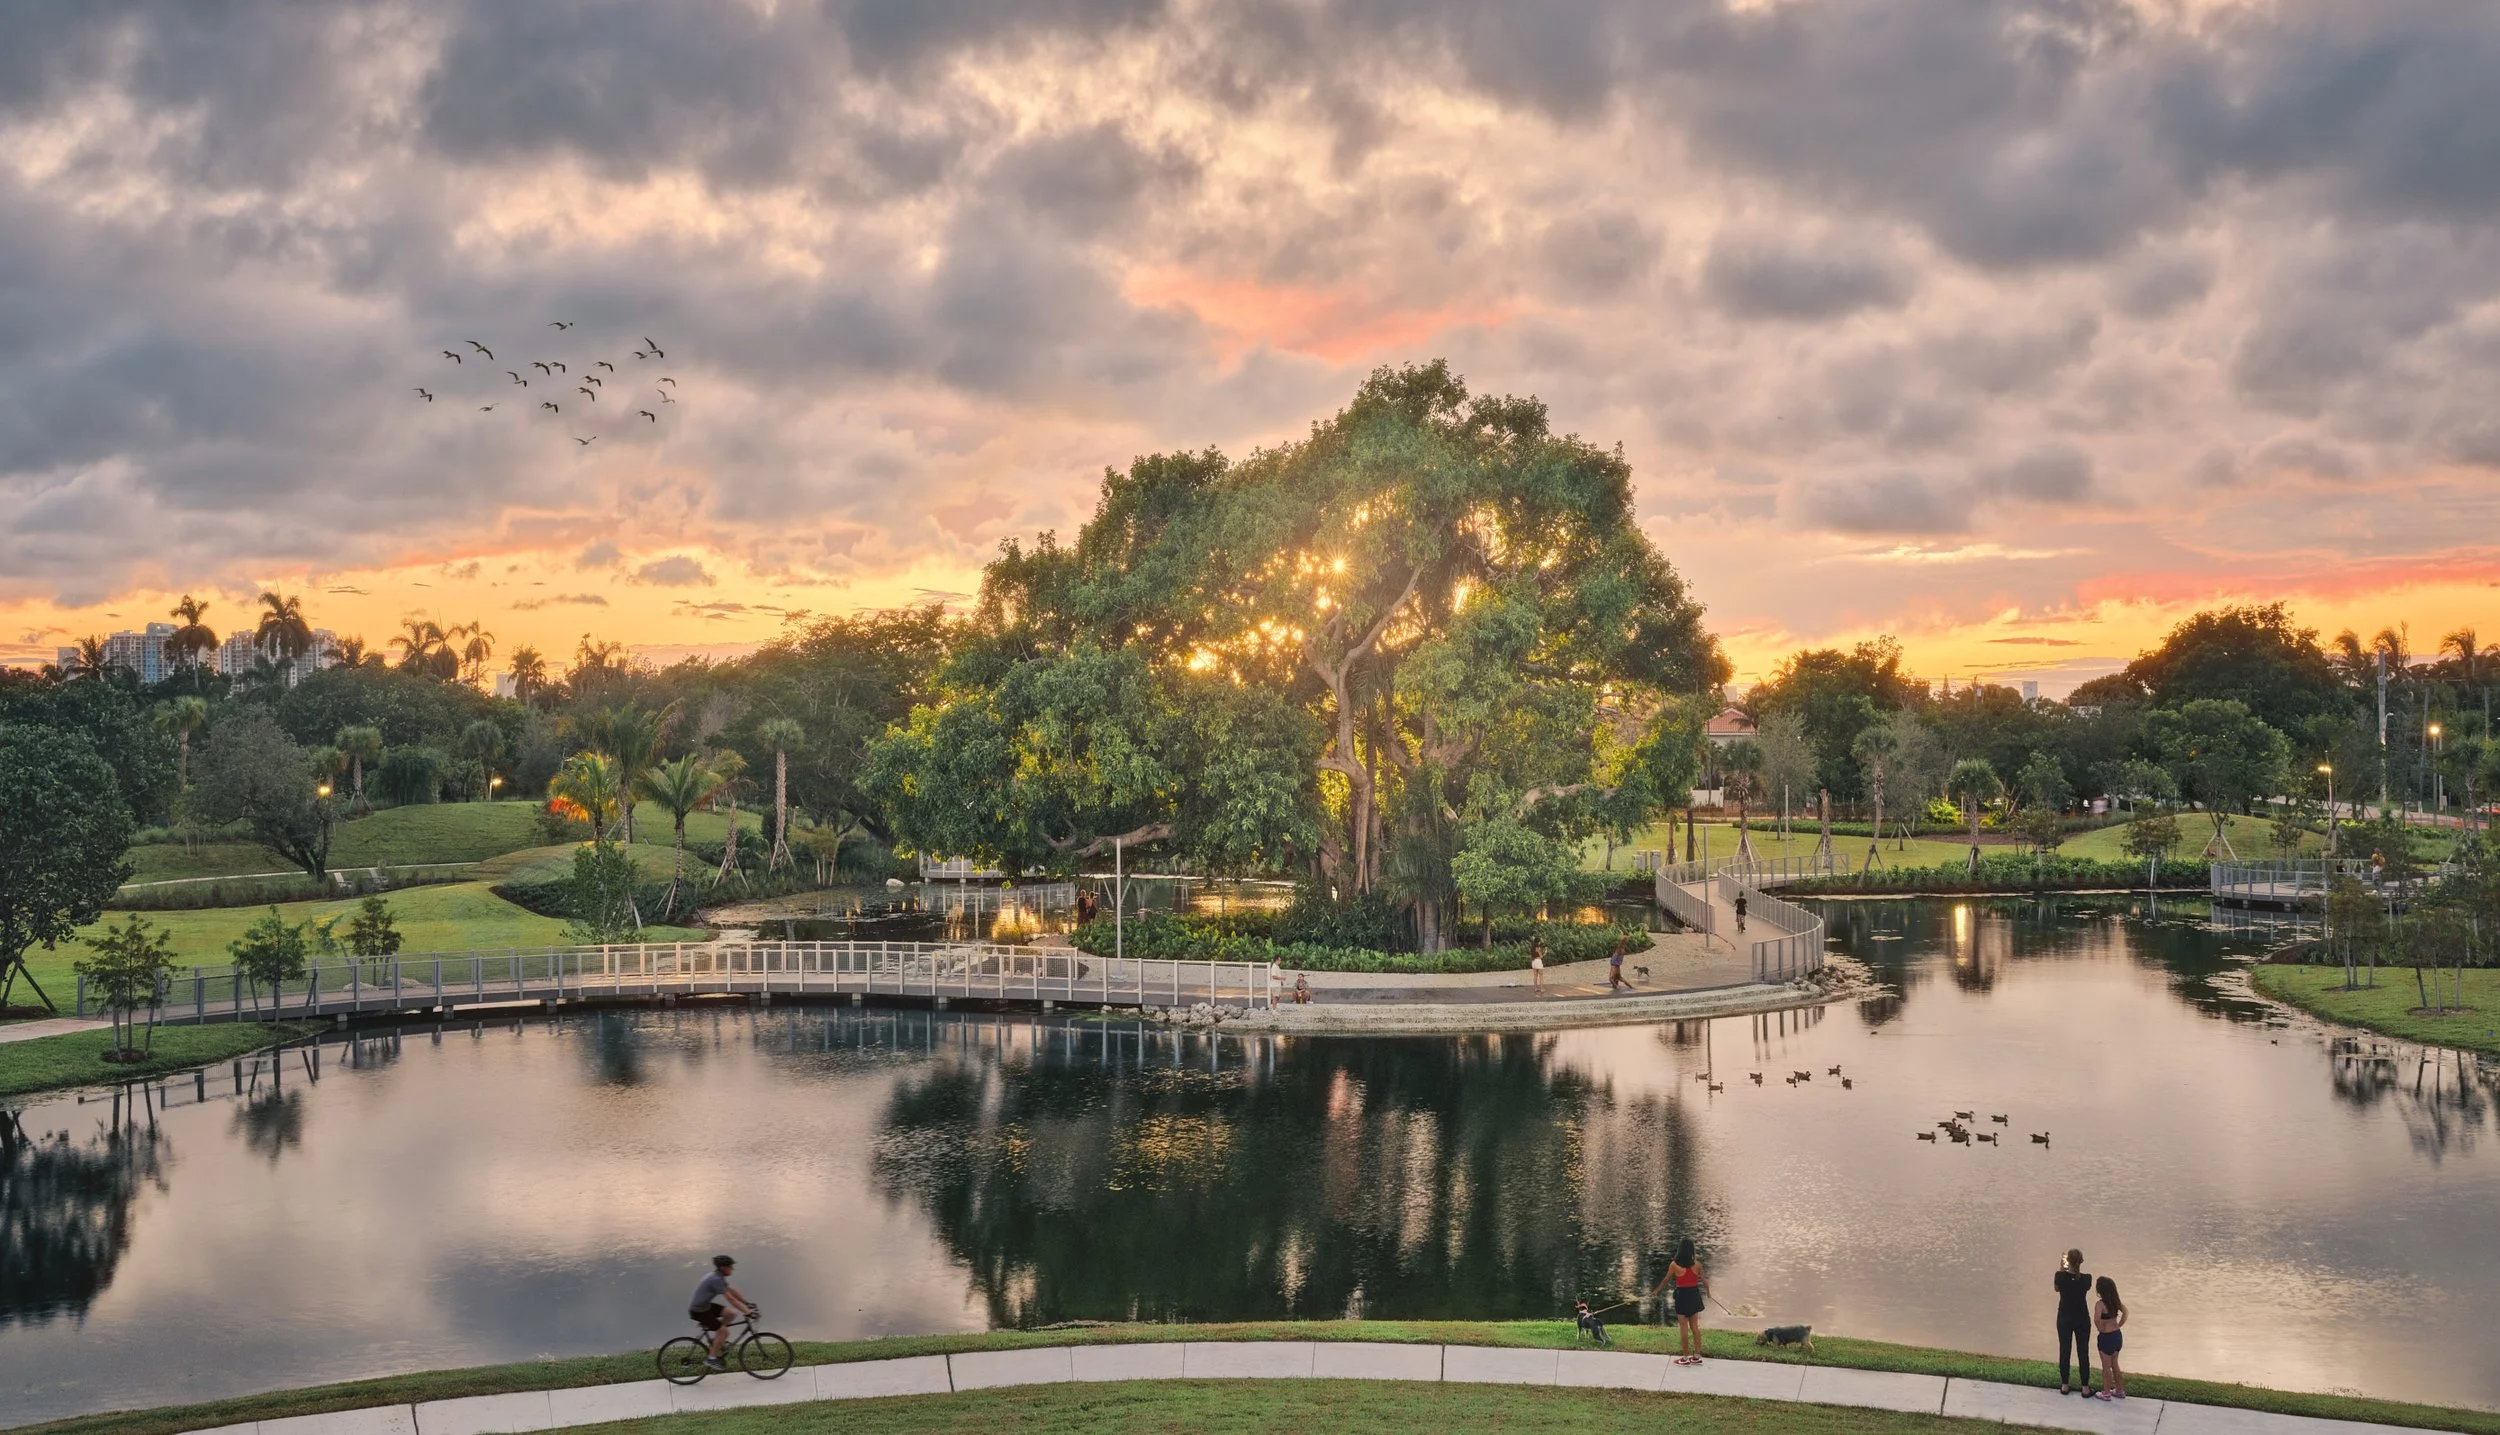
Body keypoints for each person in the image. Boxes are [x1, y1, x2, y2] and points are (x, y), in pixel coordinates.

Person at [688, 1255, 757, 1371]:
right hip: (698, 1310)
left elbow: (732, 1290)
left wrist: (746, 1303)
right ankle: (711, 1358)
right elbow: (731, 1299)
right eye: (731, 1266)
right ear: (723, 1268)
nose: (732, 1269)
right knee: (724, 1332)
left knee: (731, 1314)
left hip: (704, 1306)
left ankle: (716, 1341)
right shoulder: (715, 1280)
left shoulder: (718, 1276)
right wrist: (748, 1312)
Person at [1648, 1238, 1707, 1363]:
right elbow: (1705, 1282)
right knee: (1695, 1326)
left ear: (1680, 1250)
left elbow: (1665, 1280)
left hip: (1682, 1297)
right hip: (1694, 1296)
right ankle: (1697, 1356)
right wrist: (1709, 1293)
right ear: (1692, 1250)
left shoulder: (1674, 1265)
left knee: (1683, 1327)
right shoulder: (1697, 1265)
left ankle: (1685, 1358)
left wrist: (1656, 1291)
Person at [2053, 1249, 2095, 1396]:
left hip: (2064, 1318)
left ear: (2067, 1261)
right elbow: (2082, 1285)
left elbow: (2057, 1288)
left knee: (2065, 1350)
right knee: (2083, 1352)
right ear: (2081, 1261)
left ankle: (2065, 1385)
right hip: (2082, 1318)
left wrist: (2061, 1269)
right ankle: (2085, 1387)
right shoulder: (2087, 1279)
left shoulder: (2059, 1276)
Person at [2091, 1276, 2128, 1401]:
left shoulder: (2100, 1304)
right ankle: (2119, 1390)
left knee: (2106, 1366)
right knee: (2115, 1364)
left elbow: (2096, 1319)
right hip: (2117, 1335)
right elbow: (2126, 1312)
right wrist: (2119, 1325)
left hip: (2106, 1337)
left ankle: (2106, 1392)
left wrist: (2100, 1328)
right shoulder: (2116, 1302)